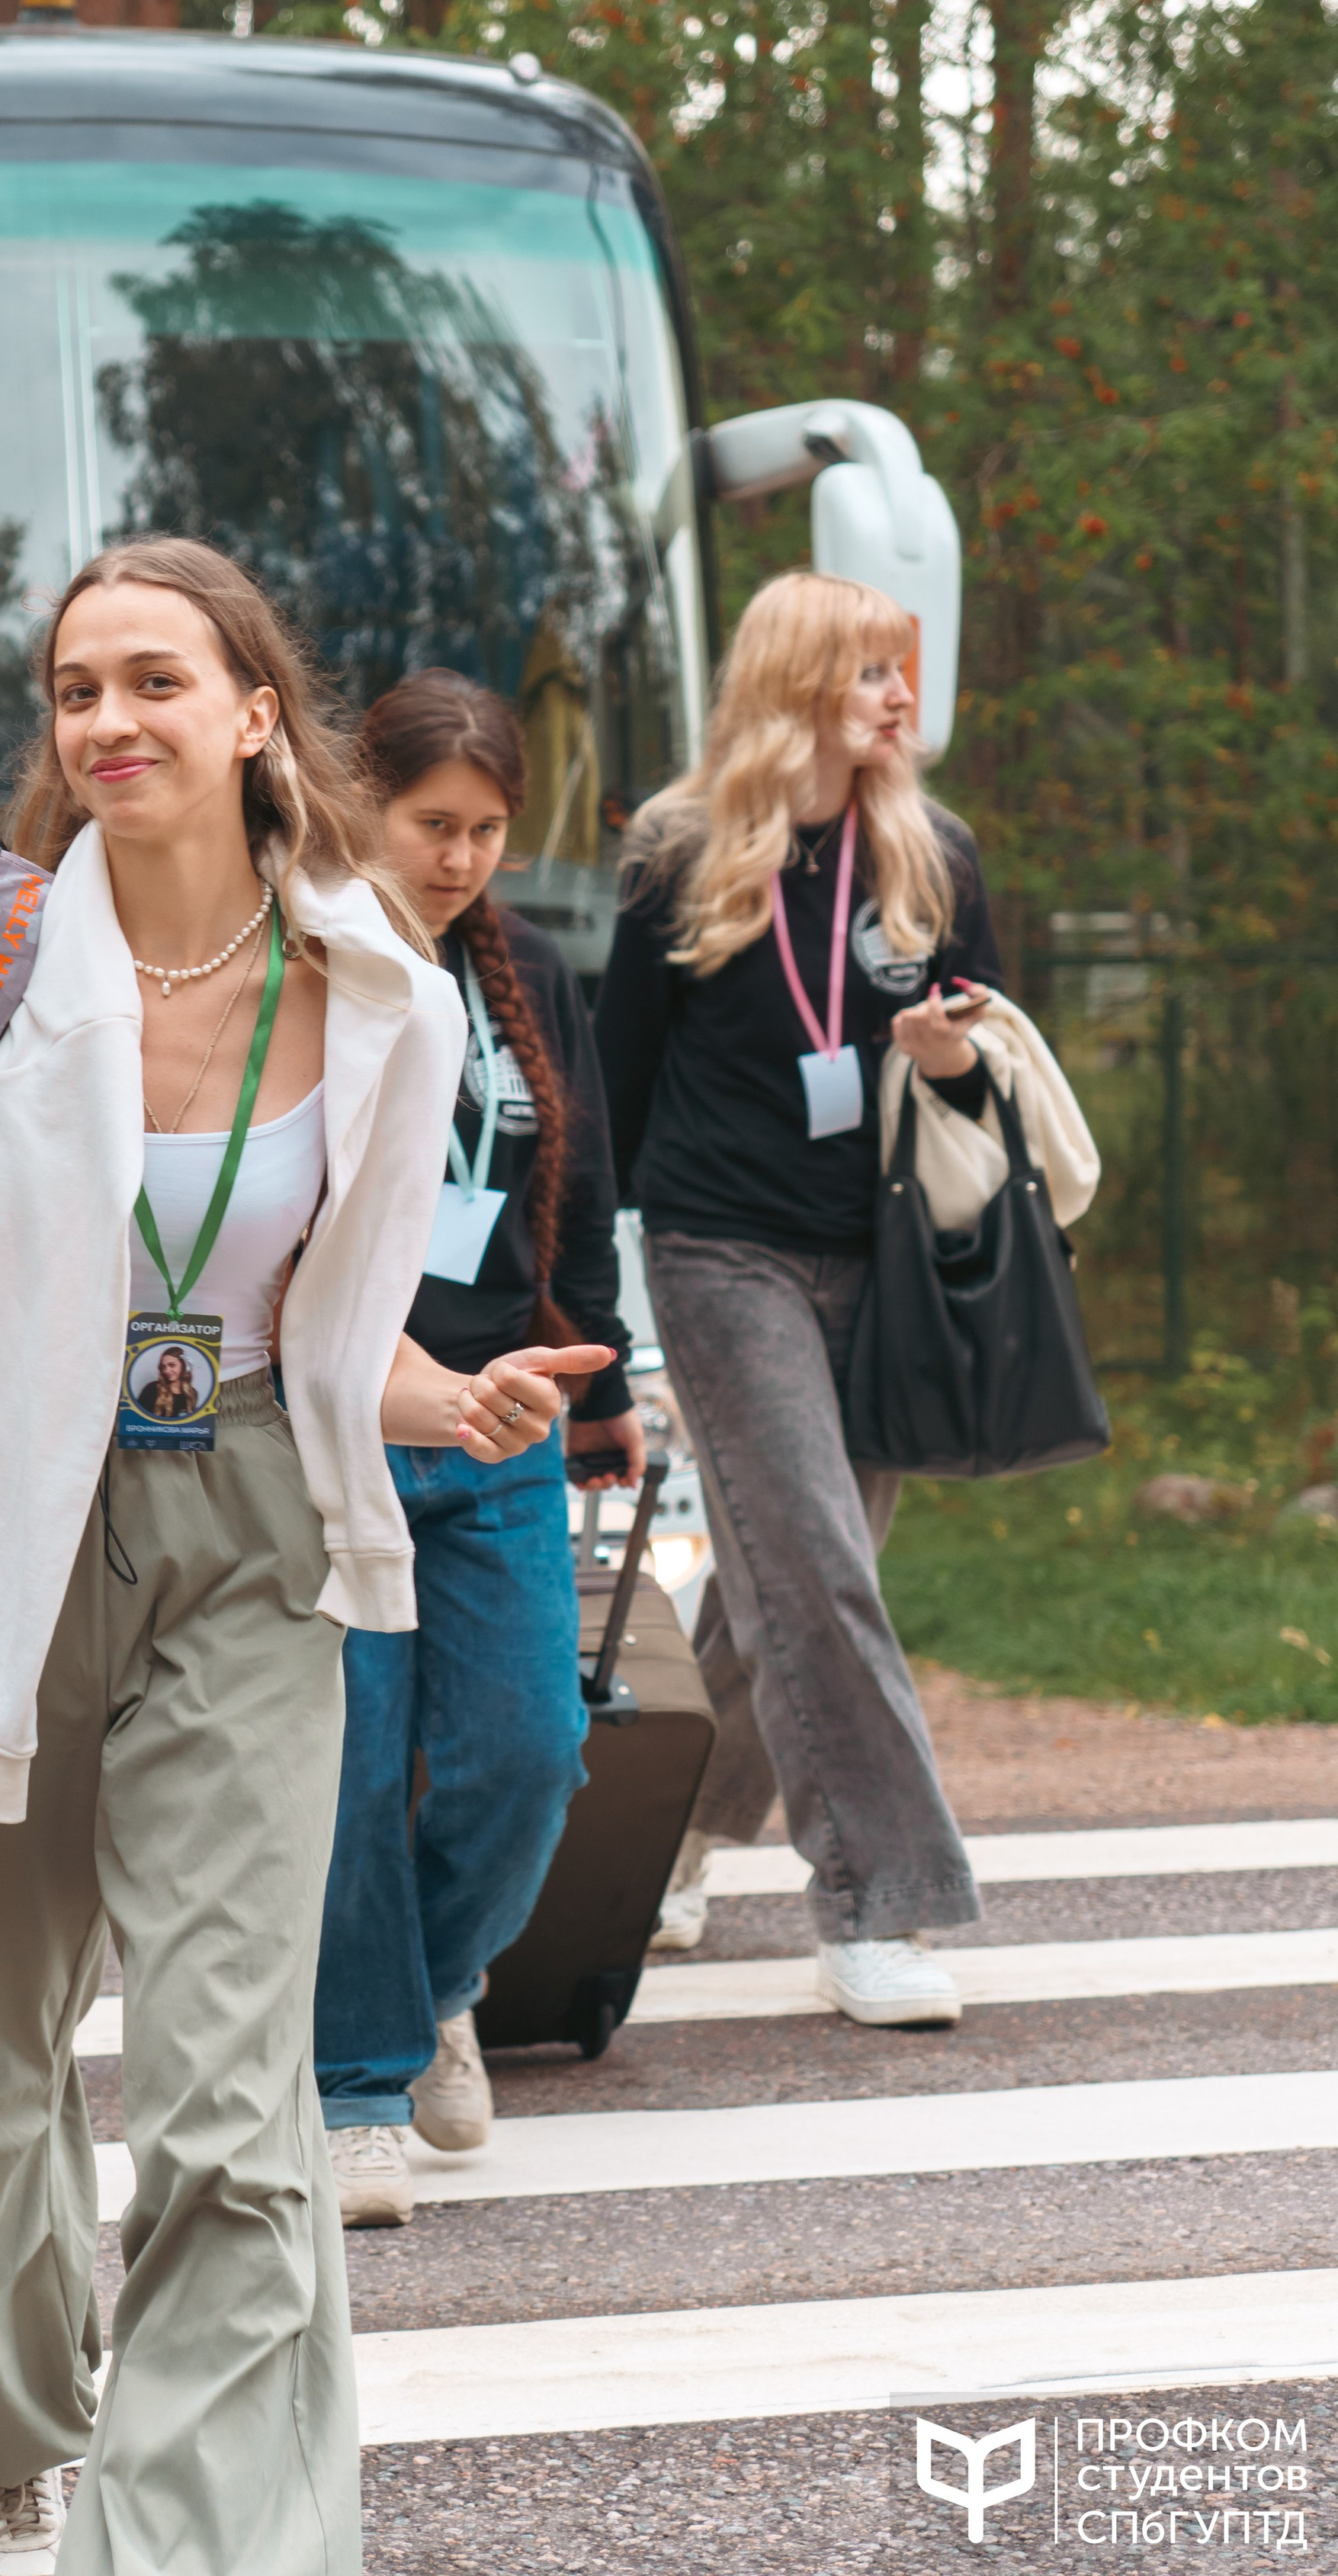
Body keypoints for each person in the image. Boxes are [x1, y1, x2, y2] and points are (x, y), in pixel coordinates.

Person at [0, 537, 613, 2576]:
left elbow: (315, 1321)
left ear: (256, 714)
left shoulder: (376, 981)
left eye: (153, 683)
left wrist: (440, 1402)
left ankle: (188, 2538)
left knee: (226, 2097)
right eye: (73, 691)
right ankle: (13, 2428)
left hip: (242, 1536)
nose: (107, 721)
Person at [592, 571, 999, 2027]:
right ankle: (879, 1904)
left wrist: (954, 1055)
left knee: (791, 1582)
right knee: (815, 1567)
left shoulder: (931, 851)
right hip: (723, 1254)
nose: (904, 698)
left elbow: (1000, 1061)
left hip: (885, 1258)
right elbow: (615, 1078)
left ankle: (663, 1846)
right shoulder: (682, 849)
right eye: (880, 672)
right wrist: (593, 1290)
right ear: (803, 680)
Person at [313, 669, 643, 2228]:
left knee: (530, 1753)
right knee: (355, 1768)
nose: (455, 859)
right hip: (345, 1420)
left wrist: (602, 1386)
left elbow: (567, 1201)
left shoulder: (529, 979)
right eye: (429, 825)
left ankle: (433, 1987)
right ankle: (355, 2086)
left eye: (485, 832)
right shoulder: (306, 968)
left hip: (503, 1416)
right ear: (357, 808)